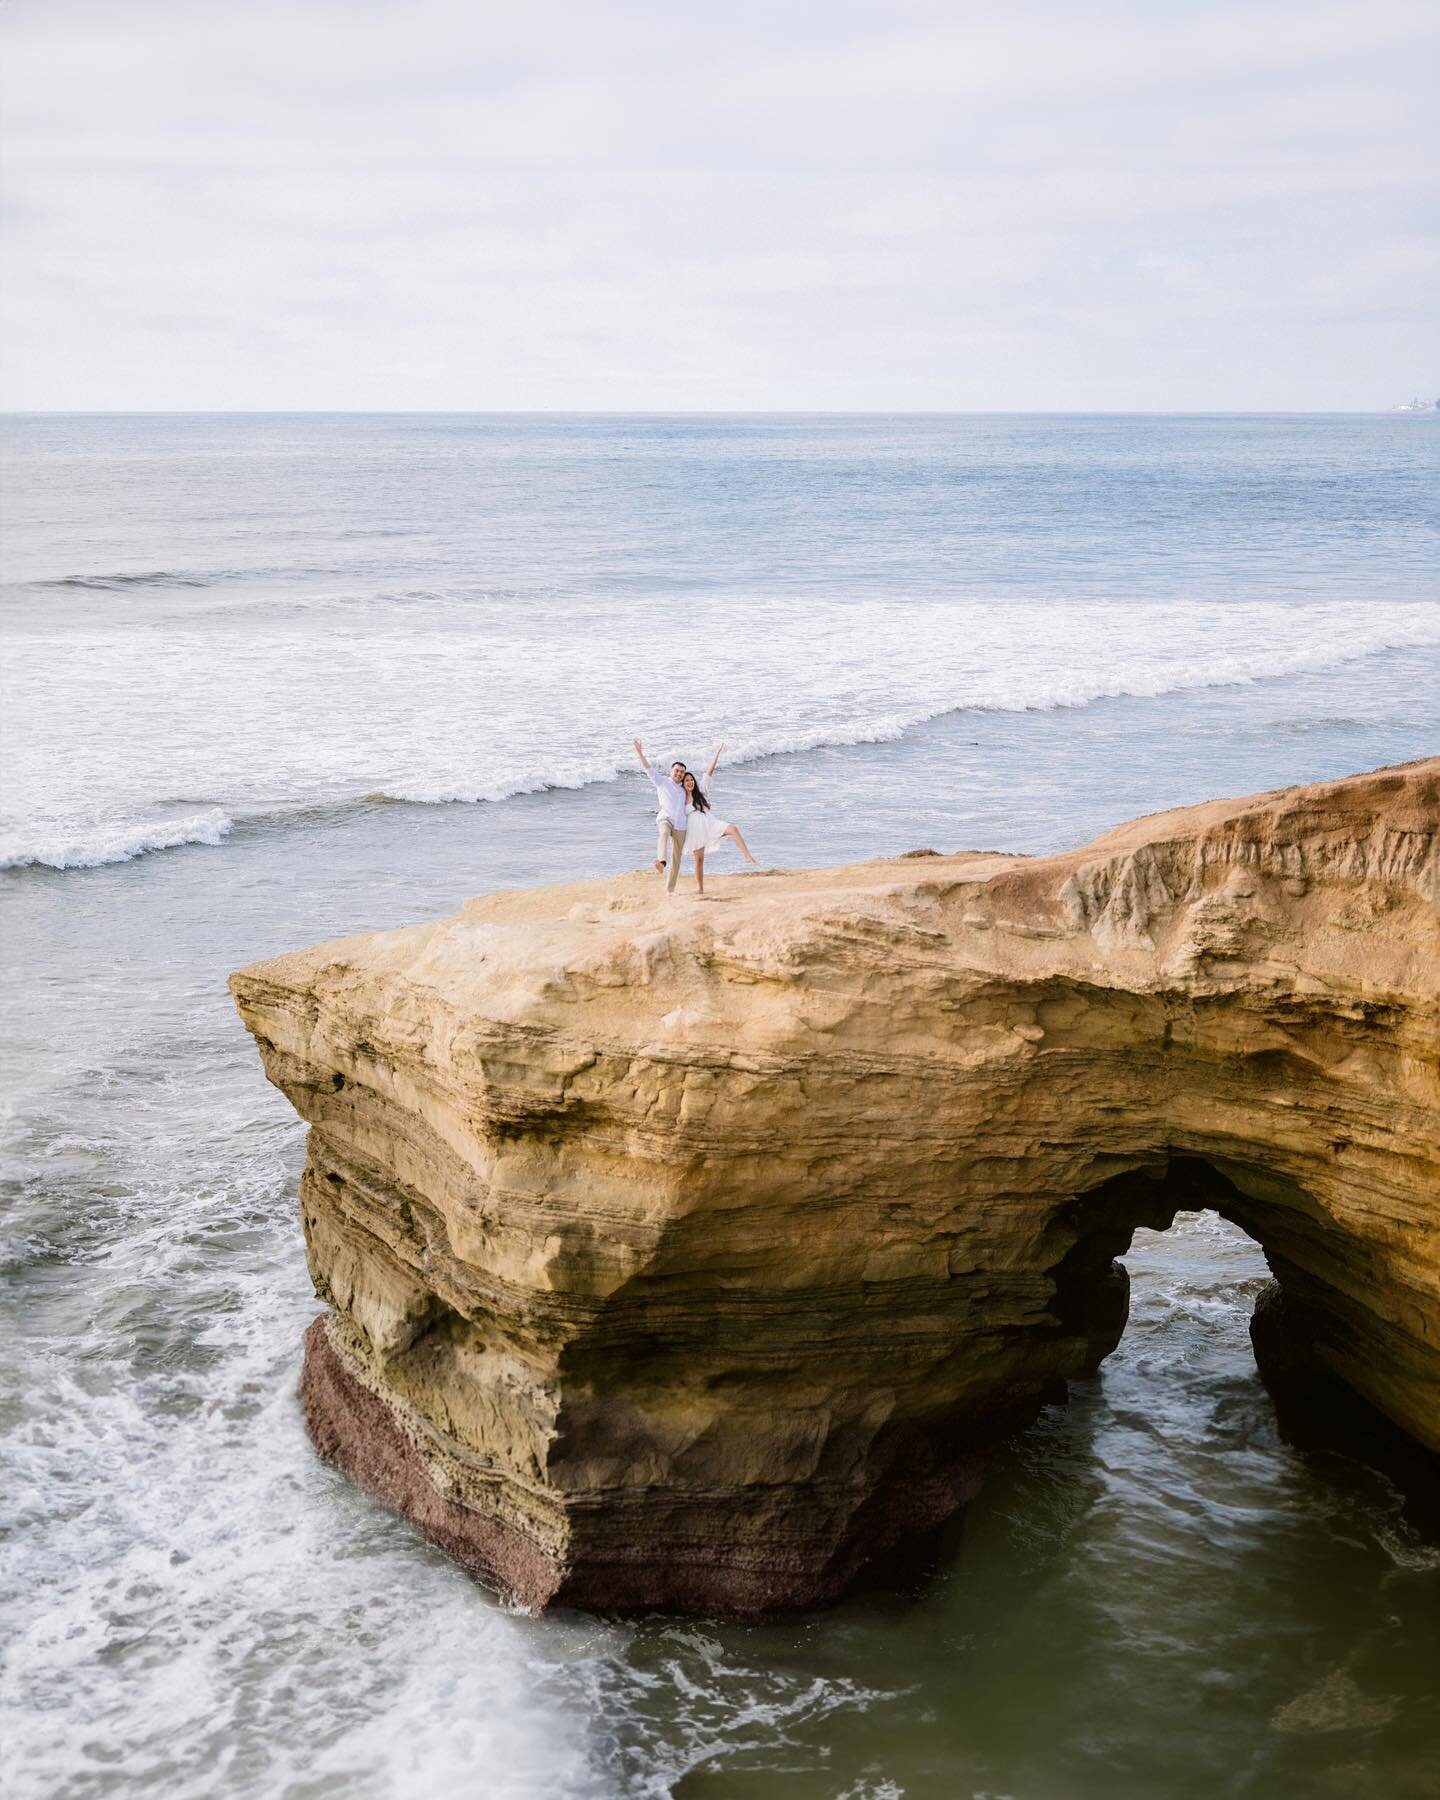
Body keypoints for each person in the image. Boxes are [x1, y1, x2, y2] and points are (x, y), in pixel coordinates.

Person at [682, 743, 759, 895]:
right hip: (696, 831)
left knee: (733, 829)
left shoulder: (701, 791)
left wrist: (716, 754)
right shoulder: (681, 798)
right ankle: (700, 888)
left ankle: (747, 857)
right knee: (699, 860)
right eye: (686, 781)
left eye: (691, 779)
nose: (690, 782)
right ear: (683, 784)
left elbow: (709, 772)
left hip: (710, 824)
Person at [632, 739, 689, 894]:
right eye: (677, 770)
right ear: (671, 771)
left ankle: (670, 890)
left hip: (681, 825)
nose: (679, 774)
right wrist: (639, 752)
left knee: (677, 859)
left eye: (682, 772)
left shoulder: (685, 790)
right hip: (665, 819)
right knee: (663, 833)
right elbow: (648, 768)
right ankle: (661, 863)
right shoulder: (663, 782)